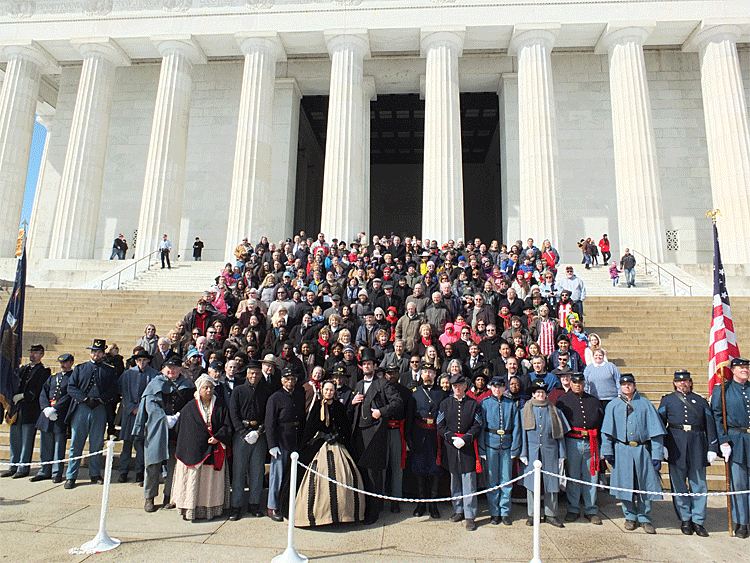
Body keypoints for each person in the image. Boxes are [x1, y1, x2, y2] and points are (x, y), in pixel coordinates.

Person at [601, 374, 666, 534]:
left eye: (629, 384)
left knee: (643, 484)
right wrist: (607, 451)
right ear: (620, 387)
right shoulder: (613, 405)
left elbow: (656, 432)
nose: (627, 387)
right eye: (624, 385)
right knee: (625, 485)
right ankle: (630, 515)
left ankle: (645, 517)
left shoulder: (645, 404)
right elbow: (606, 432)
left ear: (634, 385)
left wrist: (657, 454)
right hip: (621, 449)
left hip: (642, 450)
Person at [295, 379, 366, 526]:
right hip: (319, 445)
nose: (329, 392)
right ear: (322, 391)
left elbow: (345, 426)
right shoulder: (316, 406)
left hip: (337, 445)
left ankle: (344, 514)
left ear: (335, 392)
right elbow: (310, 428)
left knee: (346, 473)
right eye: (326, 390)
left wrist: (337, 436)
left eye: (331, 390)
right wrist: (322, 435)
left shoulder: (339, 406)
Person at [658, 369, 718, 536]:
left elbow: (710, 425)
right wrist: (662, 445)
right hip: (675, 447)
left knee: (699, 485)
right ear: (675, 383)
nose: (682, 383)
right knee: (679, 486)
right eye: (679, 381)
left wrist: (713, 447)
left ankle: (698, 521)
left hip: (697, 445)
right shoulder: (667, 400)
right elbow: (660, 424)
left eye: (685, 381)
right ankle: (685, 518)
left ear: (690, 382)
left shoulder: (700, 401)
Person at [133, 355, 195, 512]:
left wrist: (178, 417)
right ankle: (149, 497)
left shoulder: (187, 385)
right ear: (163, 369)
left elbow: (191, 405)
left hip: (178, 431)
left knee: (174, 466)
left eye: (175, 368)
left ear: (180, 369)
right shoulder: (155, 383)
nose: (172, 371)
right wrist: (163, 418)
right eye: (169, 368)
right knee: (152, 464)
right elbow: (149, 403)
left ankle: (169, 496)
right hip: (156, 430)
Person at [351, 348, 404, 525]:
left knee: (374, 473)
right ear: (361, 366)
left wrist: (381, 412)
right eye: (364, 364)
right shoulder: (358, 385)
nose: (367, 366)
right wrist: (352, 403)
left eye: (369, 364)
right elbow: (352, 410)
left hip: (374, 432)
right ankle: (365, 506)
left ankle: (375, 508)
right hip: (359, 432)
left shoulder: (382, 383)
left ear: (374, 366)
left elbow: (397, 402)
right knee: (363, 471)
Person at [172, 374, 233, 521]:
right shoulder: (189, 408)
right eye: (205, 388)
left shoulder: (221, 405)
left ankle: (210, 510)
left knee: (209, 483)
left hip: (215, 448)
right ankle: (190, 509)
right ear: (198, 389)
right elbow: (184, 430)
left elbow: (227, 425)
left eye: (211, 387)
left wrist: (217, 437)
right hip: (193, 451)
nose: (208, 390)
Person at [63, 339, 119, 489]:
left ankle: (95, 474)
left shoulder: (109, 369)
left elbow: (114, 389)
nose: (96, 354)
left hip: (99, 408)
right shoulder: (81, 368)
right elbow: (71, 387)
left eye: (99, 352)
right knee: (76, 443)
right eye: (94, 352)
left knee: (96, 443)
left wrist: (102, 398)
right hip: (82, 408)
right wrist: (84, 399)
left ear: (103, 353)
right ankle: (71, 475)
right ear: (90, 352)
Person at [520, 379, 570, 528]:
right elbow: (521, 434)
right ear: (533, 394)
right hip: (532, 450)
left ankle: (551, 514)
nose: (540, 394)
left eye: (542, 392)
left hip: (550, 450)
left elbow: (560, 435)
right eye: (537, 392)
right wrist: (523, 453)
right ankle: (532, 514)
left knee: (551, 483)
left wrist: (561, 455)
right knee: (531, 484)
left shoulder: (555, 411)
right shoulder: (524, 411)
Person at [556, 372, 604, 524]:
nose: (577, 385)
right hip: (572, 441)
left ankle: (591, 509)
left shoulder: (594, 400)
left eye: (580, 382)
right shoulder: (563, 400)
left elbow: (601, 421)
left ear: (584, 384)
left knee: (591, 476)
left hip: (592, 441)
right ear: (570, 383)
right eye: (574, 382)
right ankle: (573, 508)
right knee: (574, 475)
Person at [710, 357, 750, 539]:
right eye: (741, 367)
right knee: (739, 483)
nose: (745, 369)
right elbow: (718, 416)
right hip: (736, 440)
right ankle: (742, 522)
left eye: (747, 367)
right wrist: (723, 441)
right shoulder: (723, 391)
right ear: (732, 370)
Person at [438, 373, 482, 531]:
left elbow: (478, 425)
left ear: (465, 387)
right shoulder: (445, 404)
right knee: (454, 480)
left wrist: (465, 439)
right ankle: (458, 510)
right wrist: (451, 438)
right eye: (454, 386)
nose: (457, 388)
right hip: (451, 447)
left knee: (468, 481)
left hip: (467, 447)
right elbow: (440, 425)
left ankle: (470, 515)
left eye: (459, 386)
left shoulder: (474, 404)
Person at [228, 359, 270, 520]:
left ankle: (254, 504)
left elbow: (268, 415)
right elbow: (234, 413)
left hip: (259, 435)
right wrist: (243, 431)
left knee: (257, 471)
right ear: (247, 374)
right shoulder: (238, 391)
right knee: (239, 472)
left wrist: (259, 432)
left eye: (257, 373)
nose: (254, 375)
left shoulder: (266, 392)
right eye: (252, 373)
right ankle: (236, 506)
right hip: (241, 435)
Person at [406, 361, 448, 519]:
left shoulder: (442, 393)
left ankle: (433, 504)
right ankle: (421, 503)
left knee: (435, 470)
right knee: (419, 469)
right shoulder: (415, 393)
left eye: (430, 373)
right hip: (419, 433)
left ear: (435, 375)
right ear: (421, 374)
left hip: (435, 435)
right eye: (425, 372)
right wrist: (408, 437)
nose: (428, 375)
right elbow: (410, 416)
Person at [478, 375, 522, 526]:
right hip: (491, 444)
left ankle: (505, 512)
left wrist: (515, 447)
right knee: (492, 480)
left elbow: (517, 427)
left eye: (500, 387)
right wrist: (482, 449)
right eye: (494, 387)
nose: (497, 390)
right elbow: (481, 427)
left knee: (506, 480)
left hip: (507, 445)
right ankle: (494, 512)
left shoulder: (511, 404)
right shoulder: (485, 404)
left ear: (504, 388)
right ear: (491, 388)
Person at [3, 344, 50, 479]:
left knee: (26, 440)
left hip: (30, 409)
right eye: (32, 352)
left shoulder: (43, 371)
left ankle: (23, 468)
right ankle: (13, 465)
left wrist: (24, 395)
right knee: (15, 439)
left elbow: (39, 389)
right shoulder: (22, 369)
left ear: (42, 355)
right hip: (17, 409)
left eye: (36, 352)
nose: (32, 354)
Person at [265, 368, 306, 522]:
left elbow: (302, 420)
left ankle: (287, 505)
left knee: (291, 476)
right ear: (282, 380)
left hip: (295, 440)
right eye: (287, 379)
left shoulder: (299, 396)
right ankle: (273, 506)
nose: (290, 382)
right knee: (277, 475)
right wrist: (272, 444)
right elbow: (269, 423)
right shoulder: (275, 398)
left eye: (293, 379)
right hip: (280, 441)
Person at [31, 353, 73, 483]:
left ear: (71, 363)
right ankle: (44, 470)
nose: (62, 365)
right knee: (45, 445)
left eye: (65, 362)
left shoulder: (73, 378)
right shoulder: (53, 377)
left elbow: (69, 395)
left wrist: (56, 408)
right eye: (61, 363)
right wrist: (45, 408)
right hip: (47, 415)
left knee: (58, 446)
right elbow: (43, 392)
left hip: (60, 415)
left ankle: (57, 472)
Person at [118, 349, 159, 484]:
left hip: (145, 414)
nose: (141, 363)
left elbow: (153, 394)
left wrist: (142, 409)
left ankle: (139, 471)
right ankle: (123, 471)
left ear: (148, 361)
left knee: (140, 444)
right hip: (130, 413)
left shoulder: (154, 375)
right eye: (139, 360)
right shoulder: (128, 374)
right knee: (127, 443)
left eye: (144, 360)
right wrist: (131, 408)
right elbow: (124, 392)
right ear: (135, 361)